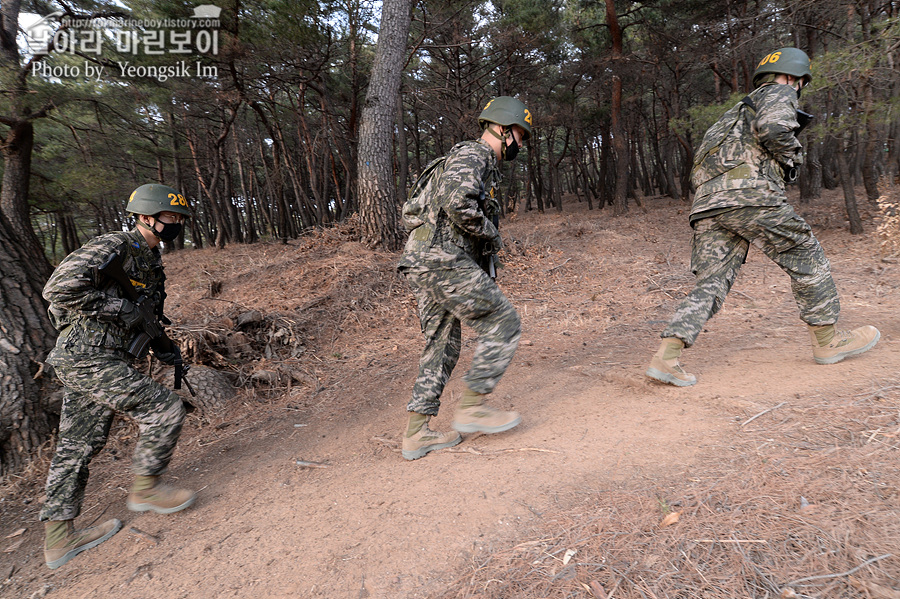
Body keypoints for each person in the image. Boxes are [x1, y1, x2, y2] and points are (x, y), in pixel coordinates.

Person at [646, 47, 879, 387]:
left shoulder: (730, 117)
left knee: (711, 282)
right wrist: (792, 158)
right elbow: (772, 128)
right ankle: (828, 341)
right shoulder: (778, 91)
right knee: (804, 252)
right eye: (799, 83)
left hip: (709, 204)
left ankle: (666, 357)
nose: (797, 88)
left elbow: (701, 166)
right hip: (748, 196)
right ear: (793, 77)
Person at [39, 184, 196, 569]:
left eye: (179, 218)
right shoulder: (115, 245)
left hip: (95, 359)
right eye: (170, 217)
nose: (176, 224)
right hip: (87, 358)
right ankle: (147, 488)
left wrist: (160, 343)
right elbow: (57, 289)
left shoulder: (151, 260)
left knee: (77, 446)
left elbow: (143, 314)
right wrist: (119, 307)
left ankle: (59, 539)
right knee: (165, 410)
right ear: (146, 217)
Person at [397, 96, 532, 460]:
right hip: (442, 257)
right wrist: (492, 234)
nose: (522, 144)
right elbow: (458, 203)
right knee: (503, 322)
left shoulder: (476, 161)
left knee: (441, 342)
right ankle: (473, 408)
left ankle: (416, 433)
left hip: (424, 259)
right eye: (520, 134)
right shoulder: (476, 154)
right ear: (503, 130)